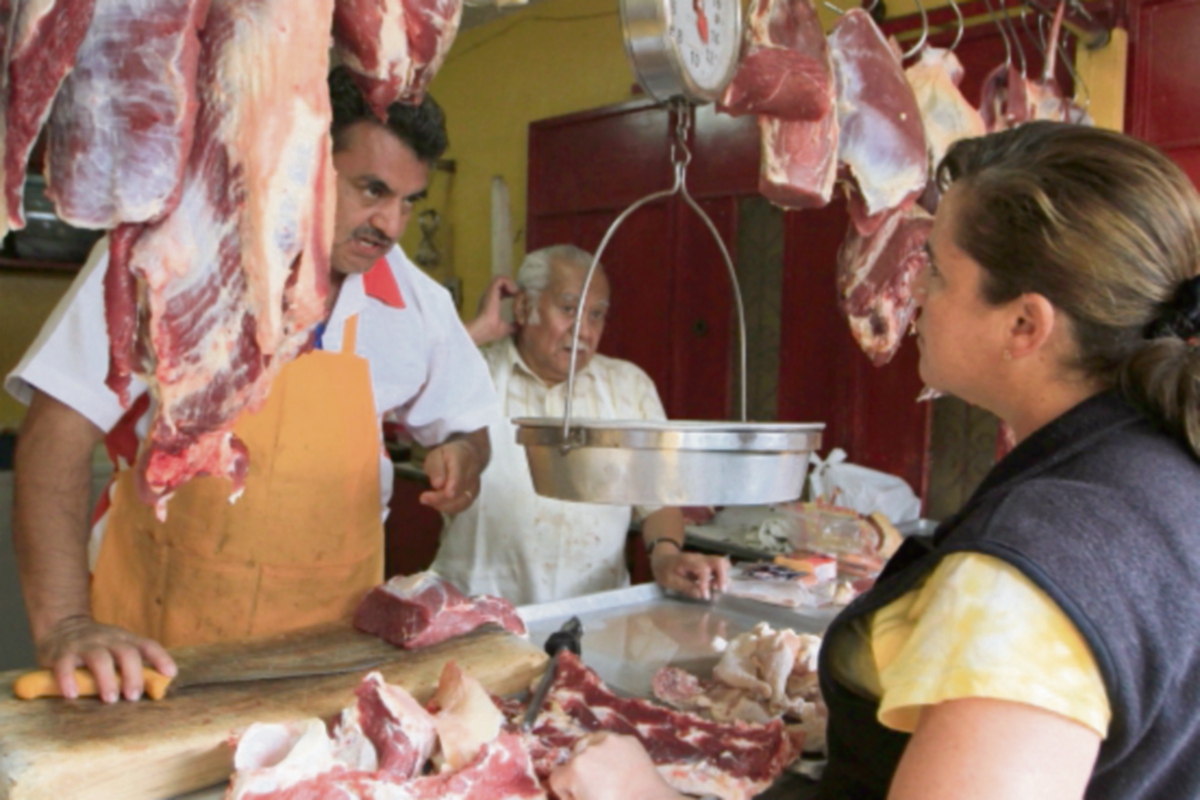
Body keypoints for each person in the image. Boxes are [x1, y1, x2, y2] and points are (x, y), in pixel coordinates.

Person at [549, 122, 1200, 800]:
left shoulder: (1044, 560)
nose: (914, 293)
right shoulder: (1162, 470)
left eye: (939, 274)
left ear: (1024, 325)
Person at [5, 67, 499, 703]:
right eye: (371, 189)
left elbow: (468, 422)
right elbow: (57, 431)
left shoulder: (412, 301)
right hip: (153, 651)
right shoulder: (171, 255)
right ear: (306, 160)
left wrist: (465, 454)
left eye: (409, 201)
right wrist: (67, 624)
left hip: (325, 661)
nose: (392, 224)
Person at [431, 244, 730, 605]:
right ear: (524, 307)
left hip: (591, 614)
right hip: (476, 611)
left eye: (597, 315)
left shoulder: (628, 387)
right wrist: (472, 333)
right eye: (569, 309)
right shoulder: (472, 373)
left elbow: (660, 500)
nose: (584, 331)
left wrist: (665, 556)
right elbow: (388, 396)